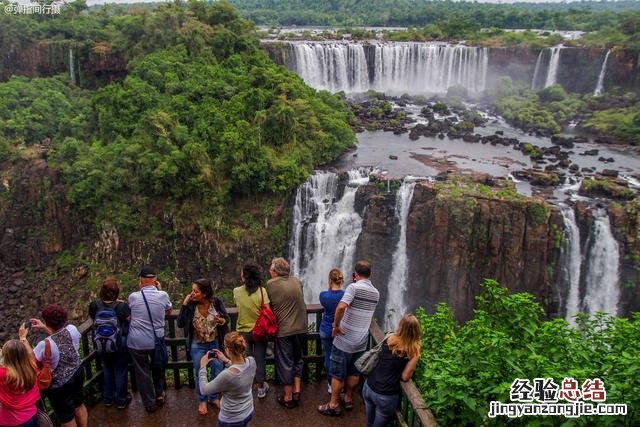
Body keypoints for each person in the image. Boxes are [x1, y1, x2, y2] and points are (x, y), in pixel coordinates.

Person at [318, 260, 380, 417]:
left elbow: (341, 307)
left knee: (337, 373)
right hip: (361, 340)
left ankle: (333, 404)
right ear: (370, 274)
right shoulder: (376, 293)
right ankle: (348, 398)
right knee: (354, 372)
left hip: (345, 339)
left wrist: (336, 326)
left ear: (356, 274)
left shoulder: (353, 287)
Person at [177, 278, 229, 415]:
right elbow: (180, 323)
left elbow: (226, 319)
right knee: (200, 372)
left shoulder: (216, 302)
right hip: (197, 345)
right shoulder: (191, 305)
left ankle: (213, 397)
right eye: (192, 291)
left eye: (196, 291)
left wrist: (221, 320)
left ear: (204, 293)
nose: (192, 293)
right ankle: (202, 400)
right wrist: (184, 303)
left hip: (214, 343)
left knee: (217, 370)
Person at [31, 304, 87, 427]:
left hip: (60, 385)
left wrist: (23, 339)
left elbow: (31, 359)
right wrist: (44, 326)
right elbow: (60, 335)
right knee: (79, 405)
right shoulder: (72, 329)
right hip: (77, 372)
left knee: (67, 417)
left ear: (48, 322)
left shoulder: (44, 345)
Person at [127, 267, 172, 413]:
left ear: (140, 281)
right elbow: (168, 310)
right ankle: (159, 394)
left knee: (142, 373)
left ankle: (149, 403)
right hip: (156, 340)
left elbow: (131, 312)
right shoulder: (163, 295)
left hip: (137, 341)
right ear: (156, 281)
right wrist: (159, 290)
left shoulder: (133, 297)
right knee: (158, 367)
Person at [363, 314, 421, 427]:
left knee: (369, 423)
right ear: (416, 331)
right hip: (385, 396)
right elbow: (405, 377)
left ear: (401, 326)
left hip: (368, 387)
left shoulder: (389, 338)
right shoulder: (413, 351)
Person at [266, 257, 307, 409]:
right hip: (302, 327)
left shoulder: (271, 284)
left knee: (285, 362)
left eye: (271, 269)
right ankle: (297, 391)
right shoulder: (297, 281)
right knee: (298, 358)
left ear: (275, 272)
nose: (269, 271)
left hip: (285, 329)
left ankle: (288, 398)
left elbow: (268, 303)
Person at [88, 278, 131, 409]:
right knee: (120, 369)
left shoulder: (95, 305)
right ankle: (121, 400)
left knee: (107, 368)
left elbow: (92, 318)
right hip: (119, 342)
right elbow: (129, 320)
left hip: (101, 342)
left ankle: (108, 398)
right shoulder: (122, 306)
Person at [198, 332, 256, 427]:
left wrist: (202, 367)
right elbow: (240, 370)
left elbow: (204, 390)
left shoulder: (227, 375)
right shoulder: (252, 361)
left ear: (227, 350)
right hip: (248, 410)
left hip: (231, 419)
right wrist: (226, 360)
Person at [233, 262, 270, 399]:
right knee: (260, 359)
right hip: (260, 332)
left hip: (243, 332)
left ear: (245, 277)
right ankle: (261, 388)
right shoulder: (262, 291)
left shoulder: (236, 292)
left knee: (246, 360)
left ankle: (247, 388)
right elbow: (267, 310)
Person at [0, 324, 40, 427]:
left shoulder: (3, 374)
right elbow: (31, 354)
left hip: (12, 421)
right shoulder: (32, 367)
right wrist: (23, 338)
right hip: (31, 416)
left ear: (5, 357)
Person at [318, 269, 345, 394]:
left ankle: (330, 384)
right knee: (340, 357)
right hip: (339, 331)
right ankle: (340, 384)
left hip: (325, 329)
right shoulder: (345, 295)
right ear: (341, 280)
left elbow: (328, 299)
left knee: (328, 356)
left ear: (329, 280)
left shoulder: (323, 295)